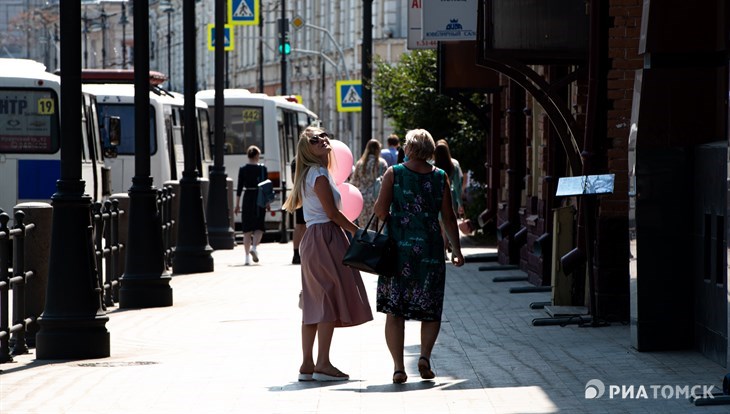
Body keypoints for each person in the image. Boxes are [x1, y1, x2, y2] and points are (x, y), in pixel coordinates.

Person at [373, 128, 465, 384]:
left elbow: (380, 211)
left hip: (399, 250)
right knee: (431, 306)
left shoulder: (394, 173)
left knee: (396, 310)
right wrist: (457, 251)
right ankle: (424, 356)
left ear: (409, 147)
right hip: (431, 250)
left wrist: (398, 217)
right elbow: (448, 217)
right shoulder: (441, 177)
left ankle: (399, 368)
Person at [282, 126, 373, 382]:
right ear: (306, 149)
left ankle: (308, 364)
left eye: (323, 136)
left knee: (315, 300)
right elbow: (332, 214)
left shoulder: (314, 173)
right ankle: (322, 363)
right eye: (314, 139)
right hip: (326, 237)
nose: (322, 140)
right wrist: (357, 232)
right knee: (327, 299)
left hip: (316, 238)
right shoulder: (319, 174)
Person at [234, 145, 267, 266]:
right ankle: (254, 247)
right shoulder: (262, 169)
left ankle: (247, 257)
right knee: (259, 227)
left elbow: (239, 188)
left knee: (247, 229)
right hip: (259, 199)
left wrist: (237, 205)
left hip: (247, 197)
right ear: (257, 156)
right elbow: (266, 187)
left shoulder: (243, 169)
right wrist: (267, 202)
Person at [434, 141, 465, 255]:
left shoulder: (432, 165)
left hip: (435, 198)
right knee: (447, 225)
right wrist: (460, 203)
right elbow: (457, 186)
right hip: (449, 197)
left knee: (439, 226)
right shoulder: (454, 165)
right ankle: (444, 251)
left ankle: (440, 250)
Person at [349, 139, 388, 227]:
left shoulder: (360, 163)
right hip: (376, 198)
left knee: (363, 227)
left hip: (361, 199)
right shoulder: (382, 163)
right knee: (375, 228)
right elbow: (386, 182)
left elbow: (354, 181)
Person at [290, 159, 305, 264]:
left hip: (300, 194)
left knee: (300, 225)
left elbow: (293, 179)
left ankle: (297, 253)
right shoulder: (298, 161)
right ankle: (297, 253)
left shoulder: (295, 161)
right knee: (302, 225)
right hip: (303, 195)